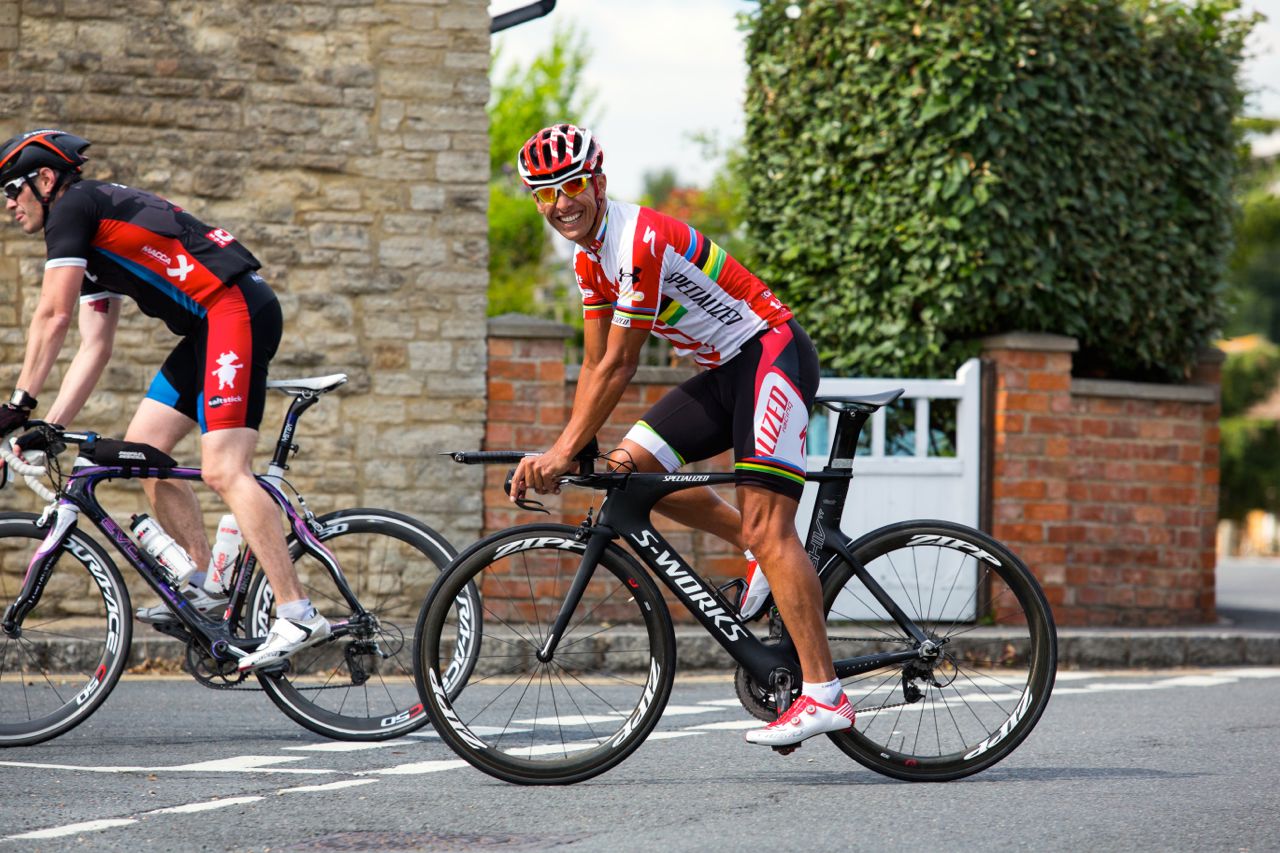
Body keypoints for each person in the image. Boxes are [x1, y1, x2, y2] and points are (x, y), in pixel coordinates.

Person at [508, 123, 854, 748]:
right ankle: (756, 562)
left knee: (769, 526)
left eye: (573, 185)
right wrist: (571, 447)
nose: (561, 204)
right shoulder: (590, 259)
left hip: (771, 354)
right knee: (624, 472)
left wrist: (559, 454)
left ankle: (824, 693)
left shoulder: (638, 239)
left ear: (600, 182)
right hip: (725, 373)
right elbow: (591, 364)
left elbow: (619, 364)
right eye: (544, 193)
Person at [0, 128, 324, 671]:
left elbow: (51, 316)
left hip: (235, 309)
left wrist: (19, 403)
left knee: (224, 469)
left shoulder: (72, 210)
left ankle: (297, 612)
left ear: (46, 179)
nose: (8, 204)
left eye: (12, 190)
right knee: (144, 455)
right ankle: (207, 585)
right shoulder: (83, 232)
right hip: (207, 327)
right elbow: (94, 346)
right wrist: (50, 427)